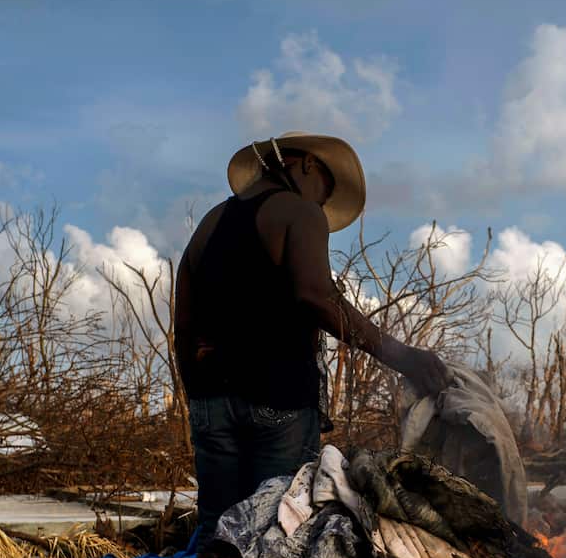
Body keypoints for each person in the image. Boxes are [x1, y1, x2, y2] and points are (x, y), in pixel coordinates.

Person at [174, 132, 451, 536]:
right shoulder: (299, 212)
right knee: (276, 534)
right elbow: (316, 296)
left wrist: (198, 394)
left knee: (216, 532)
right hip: (276, 399)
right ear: (305, 164)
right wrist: (402, 356)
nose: (322, 203)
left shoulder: (211, 222)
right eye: (326, 189)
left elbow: (184, 322)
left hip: (211, 401)